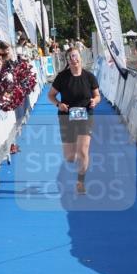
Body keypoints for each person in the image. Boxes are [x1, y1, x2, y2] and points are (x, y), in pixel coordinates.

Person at [48, 48, 101, 195]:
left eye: (76, 56)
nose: (74, 59)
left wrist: (94, 101)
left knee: (83, 151)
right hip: (66, 116)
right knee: (70, 157)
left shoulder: (89, 77)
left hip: (86, 115)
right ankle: (76, 157)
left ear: (80, 58)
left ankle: (80, 181)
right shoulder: (62, 77)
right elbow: (51, 95)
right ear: (68, 60)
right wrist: (59, 104)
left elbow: (97, 96)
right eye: (71, 57)